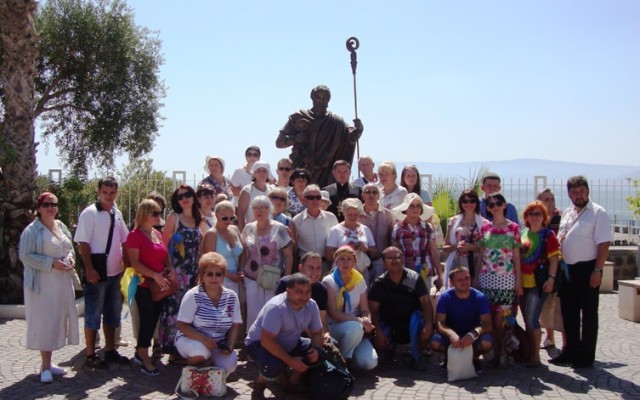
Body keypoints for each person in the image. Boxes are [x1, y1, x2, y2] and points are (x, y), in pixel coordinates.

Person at [551, 176, 611, 368]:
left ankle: (586, 356)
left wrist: (597, 270)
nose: (579, 195)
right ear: (569, 194)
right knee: (569, 313)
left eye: (582, 191)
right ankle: (570, 351)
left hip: (588, 268)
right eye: (575, 192)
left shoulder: (598, 213)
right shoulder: (567, 213)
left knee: (589, 314)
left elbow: (604, 244)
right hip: (567, 270)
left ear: (588, 191)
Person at [19, 192, 79, 382]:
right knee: (45, 322)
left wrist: (70, 258)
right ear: (39, 208)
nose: (50, 207)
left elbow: (69, 247)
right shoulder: (32, 231)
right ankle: (45, 366)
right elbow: (25, 256)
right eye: (46, 204)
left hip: (61, 283)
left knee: (57, 321)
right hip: (42, 285)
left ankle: (50, 362)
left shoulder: (61, 226)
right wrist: (51, 263)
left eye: (54, 204)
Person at [74, 176, 130, 369]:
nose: (108, 196)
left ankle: (110, 349)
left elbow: (125, 240)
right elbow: (83, 243)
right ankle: (90, 355)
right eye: (105, 192)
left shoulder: (117, 213)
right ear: (98, 192)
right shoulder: (89, 214)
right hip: (97, 271)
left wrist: (126, 266)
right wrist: (89, 268)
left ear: (116, 193)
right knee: (93, 314)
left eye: (112, 192)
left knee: (113, 313)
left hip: (115, 273)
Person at [245, 273, 323, 399]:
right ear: (289, 291)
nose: (305, 296)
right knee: (273, 365)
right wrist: (291, 361)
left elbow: (317, 333)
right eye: (299, 292)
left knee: (320, 352)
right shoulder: (276, 308)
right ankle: (260, 385)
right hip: (259, 343)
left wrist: (317, 350)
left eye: (308, 292)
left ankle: (292, 383)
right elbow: (267, 340)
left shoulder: (312, 305)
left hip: (291, 341)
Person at [276, 85, 364, 188]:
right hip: (303, 169)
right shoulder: (299, 116)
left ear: (328, 100)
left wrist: (359, 129)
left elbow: (350, 138)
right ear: (312, 98)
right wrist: (295, 139)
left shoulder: (336, 121)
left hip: (326, 172)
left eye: (324, 98)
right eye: (318, 98)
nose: (321, 101)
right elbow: (279, 142)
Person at [127, 199, 174, 376]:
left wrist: (170, 268)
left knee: (154, 319)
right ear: (144, 214)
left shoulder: (157, 233)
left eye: (159, 213)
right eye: (154, 213)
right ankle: (144, 356)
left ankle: (141, 352)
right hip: (143, 284)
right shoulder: (135, 235)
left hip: (159, 284)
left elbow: (165, 255)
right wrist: (155, 275)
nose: (158, 216)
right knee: (146, 320)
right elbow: (135, 263)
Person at [368, 247, 434, 370]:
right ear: (384, 264)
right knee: (377, 336)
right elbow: (373, 310)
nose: (395, 260)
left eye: (398, 257)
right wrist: (378, 332)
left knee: (420, 323)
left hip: (412, 324)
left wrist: (429, 324)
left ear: (403, 260)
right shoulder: (379, 283)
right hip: (389, 323)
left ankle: (417, 356)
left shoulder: (414, 278)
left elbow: (426, 302)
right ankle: (389, 349)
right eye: (390, 258)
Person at [175, 252, 242, 374]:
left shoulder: (232, 296)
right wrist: (203, 339)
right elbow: (182, 325)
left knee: (230, 364)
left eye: (218, 274)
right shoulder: (193, 295)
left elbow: (235, 325)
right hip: (191, 339)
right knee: (200, 352)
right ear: (203, 275)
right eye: (210, 274)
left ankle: (212, 374)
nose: (214, 278)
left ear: (223, 276)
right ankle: (193, 374)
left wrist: (230, 345)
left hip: (218, 343)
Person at [476, 192, 522, 368]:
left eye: (498, 203)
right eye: (491, 204)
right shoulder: (485, 228)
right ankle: (495, 353)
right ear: (488, 208)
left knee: (500, 320)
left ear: (504, 205)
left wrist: (518, 281)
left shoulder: (514, 228)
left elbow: (516, 257)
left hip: (506, 279)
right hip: (487, 278)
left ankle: (502, 352)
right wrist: (476, 277)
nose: (495, 207)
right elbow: (481, 255)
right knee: (488, 318)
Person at [160, 185, 204, 359]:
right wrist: (170, 268)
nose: (184, 199)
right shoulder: (174, 218)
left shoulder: (199, 218)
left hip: (195, 271)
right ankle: (173, 350)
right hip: (178, 271)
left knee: (191, 310)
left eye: (187, 195)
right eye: (180, 197)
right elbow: (163, 245)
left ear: (193, 197)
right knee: (175, 309)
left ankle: (189, 348)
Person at [242, 196, 293, 331]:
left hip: (273, 278)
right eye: (256, 208)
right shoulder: (248, 228)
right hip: (252, 277)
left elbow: (288, 256)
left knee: (271, 312)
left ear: (269, 209)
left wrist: (286, 279)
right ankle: (253, 340)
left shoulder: (279, 228)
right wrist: (242, 271)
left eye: (263, 207)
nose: (259, 211)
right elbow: (244, 252)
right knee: (253, 314)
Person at [323, 245, 378, 371]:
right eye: (341, 259)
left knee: (369, 363)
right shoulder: (329, 281)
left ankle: (346, 356)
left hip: (355, 330)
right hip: (335, 326)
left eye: (349, 259)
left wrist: (366, 319)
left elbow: (365, 309)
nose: (345, 262)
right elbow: (333, 313)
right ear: (336, 262)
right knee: (355, 327)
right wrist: (359, 321)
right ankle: (341, 362)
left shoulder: (359, 280)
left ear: (354, 262)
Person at [519, 200, 561, 367]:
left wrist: (551, 279)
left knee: (532, 319)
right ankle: (530, 351)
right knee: (527, 320)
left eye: (538, 214)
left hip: (538, 284)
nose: (534, 217)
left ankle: (535, 355)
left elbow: (554, 259)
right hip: (523, 282)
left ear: (544, 217)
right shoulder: (523, 233)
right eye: (531, 213)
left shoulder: (548, 235)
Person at [430, 266, 493, 374]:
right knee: (435, 342)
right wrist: (451, 334)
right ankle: (450, 357)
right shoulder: (445, 297)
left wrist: (473, 334)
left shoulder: (480, 297)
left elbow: (487, 324)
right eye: (460, 280)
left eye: (467, 278)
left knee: (486, 342)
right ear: (452, 283)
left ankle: (473, 358)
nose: (465, 282)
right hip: (451, 336)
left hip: (473, 335)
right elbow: (439, 323)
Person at [391, 193, 443, 292]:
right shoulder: (397, 229)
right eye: (411, 206)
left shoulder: (428, 227)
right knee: (407, 299)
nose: (415, 209)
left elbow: (435, 253)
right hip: (405, 272)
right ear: (405, 209)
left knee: (424, 299)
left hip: (425, 271)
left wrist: (440, 275)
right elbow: (394, 253)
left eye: (418, 206)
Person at [275, 252, 330, 338]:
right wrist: (314, 336)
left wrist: (326, 335)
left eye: (318, 268)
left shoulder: (321, 289)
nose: (315, 272)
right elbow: (284, 317)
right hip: (287, 334)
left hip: (313, 333)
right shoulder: (286, 283)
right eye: (311, 268)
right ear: (301, 268)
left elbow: (323, 321)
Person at [442, 190, 488, 289]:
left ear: (476, 202)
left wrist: (472, 248)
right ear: (461, 203)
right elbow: (445, 247)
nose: (468, 204)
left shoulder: (485, 223)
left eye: (472, 201)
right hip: (457, 266)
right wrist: (456, 247)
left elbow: (487, 249)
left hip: (476, 266)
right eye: (465, 201)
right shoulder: (453, 221)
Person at [536, 188, 564, 350]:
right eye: (546, 199)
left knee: (560, 305)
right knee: (546, 305)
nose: (550, 202)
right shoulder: (537, 219)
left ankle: (566, 342)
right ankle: (550, 337)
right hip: (542, 268)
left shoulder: (562, 218)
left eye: (552, 199)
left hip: (561, 266)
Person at [325, 198, 378, 283]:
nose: (353, 217)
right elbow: (328, 255)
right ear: (343, 213)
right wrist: (345, 249)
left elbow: (375, 253)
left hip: (361, 272)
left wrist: (366, 249)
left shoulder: (365, 229)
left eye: (356, 214)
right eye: (349, 214)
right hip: (341, 272)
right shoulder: (335, 230)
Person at [201, 201, 245, 295]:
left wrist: (241, 270)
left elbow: (243, 253)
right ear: (216, 215)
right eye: (225, 218)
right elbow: (209, 262)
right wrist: (229, 276)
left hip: (237, 280)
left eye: (231, 218)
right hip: (218, 281)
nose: (228, 221)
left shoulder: (235, 229)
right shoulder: (211, 234)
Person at [292, 185, 338, 271]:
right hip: (305, 266)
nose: (315, 200)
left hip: (327, 265)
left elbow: (337, 242)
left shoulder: (331, 217)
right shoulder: (296, 220)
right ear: (304, 200)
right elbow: (295, 248)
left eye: (318, 197)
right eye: (311, 197)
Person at [359, 182, 395, 282]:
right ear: (362, 195)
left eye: (374, 192)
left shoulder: (388, 214)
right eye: (368, 192)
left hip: (381, 261)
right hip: (361, 261)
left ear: (379, 196)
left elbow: (391, 239)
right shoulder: (356, 214)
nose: (371, 195)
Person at [236, 161, 274, 232]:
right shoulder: (247, 190)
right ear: (254, 173)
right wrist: (243, 233)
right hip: (252, 231)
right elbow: (240, 214)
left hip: (270, 231)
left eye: (264, 171)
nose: (262, 173)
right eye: (259, 171)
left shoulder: (272, 189)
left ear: (268, 173)